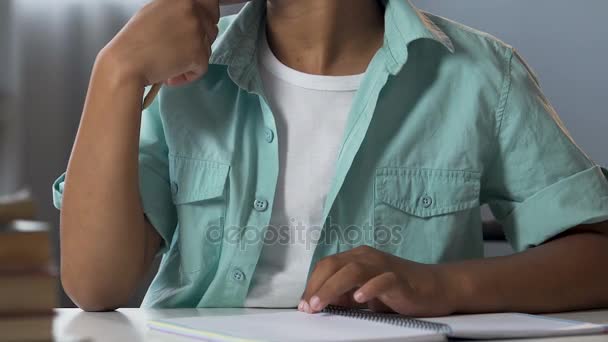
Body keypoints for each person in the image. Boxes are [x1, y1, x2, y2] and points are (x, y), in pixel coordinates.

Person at [53, 0, 608, 315]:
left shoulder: (481, 75)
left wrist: (440, 286)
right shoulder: (179, 74)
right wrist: (117, 72)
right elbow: (95, 287)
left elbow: (595, 256)